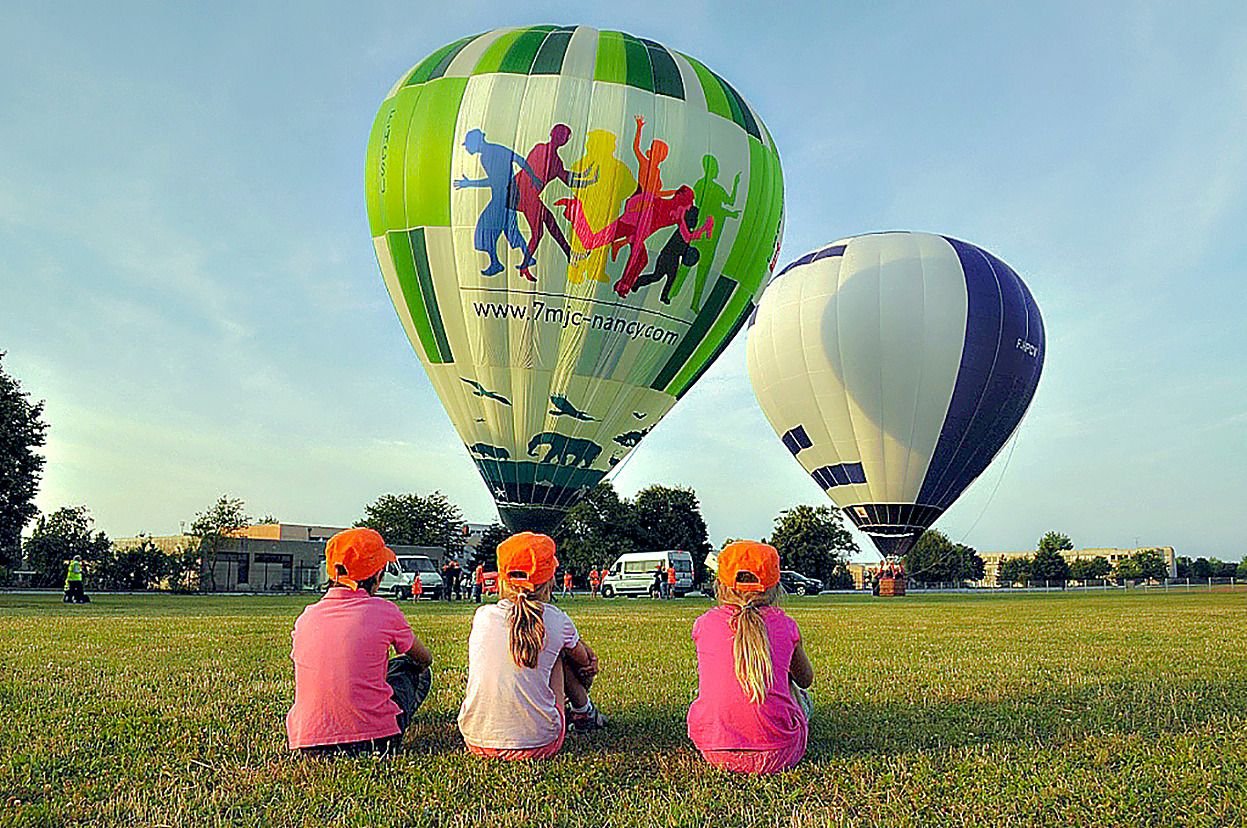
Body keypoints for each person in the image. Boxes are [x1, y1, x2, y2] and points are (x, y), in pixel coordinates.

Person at [458, 532, 606, 760]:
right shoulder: (556, 618)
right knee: (558, 655)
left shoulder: (482, 615)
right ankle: (584, 712)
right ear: (550, 579)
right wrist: (589, 661)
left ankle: (581, 711)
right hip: (540, 743)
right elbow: (583, 660)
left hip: (476, 740)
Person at [287, 528, 433, 756]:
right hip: (375, 743)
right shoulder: (385, 611)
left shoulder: (306, 617)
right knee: (410, 667)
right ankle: (385, 722)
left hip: (309, 742)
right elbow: (424, 659)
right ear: (377, 575)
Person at [687, 541, 813, 774]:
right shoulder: (786, 625)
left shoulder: (704, 624)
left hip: (716, 751)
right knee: (800, 695)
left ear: (720, 584)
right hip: (780, 753)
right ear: (775, 586)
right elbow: (805, 680)